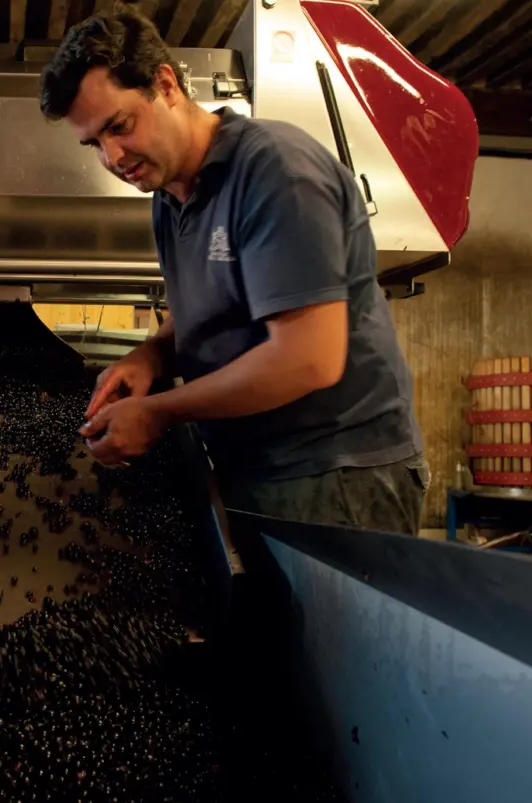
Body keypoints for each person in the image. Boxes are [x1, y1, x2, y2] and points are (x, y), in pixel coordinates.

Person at [39, 7, 430, 536]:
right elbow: (209, 312)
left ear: (165, 83)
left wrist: (160, 412)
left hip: (336, 475)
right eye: (94, 144)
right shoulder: (170, 194)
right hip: (258, 469)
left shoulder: (276, 172)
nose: (113, 156)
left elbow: (309, 359)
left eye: (119, 126)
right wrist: (152, 355)